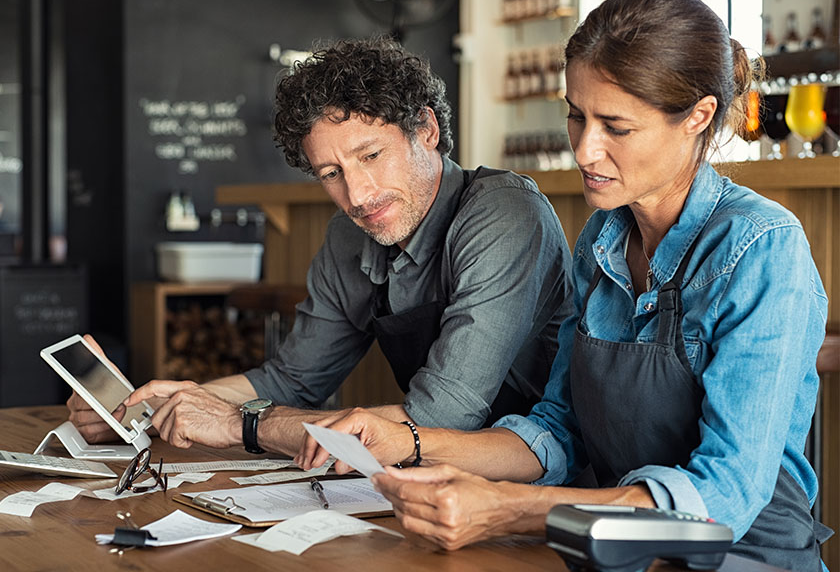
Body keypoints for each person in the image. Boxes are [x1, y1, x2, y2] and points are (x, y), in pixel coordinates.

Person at [297, 0, 832, 569]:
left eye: (616, 127)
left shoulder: (761, 248)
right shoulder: (600, 245)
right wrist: (410, 443)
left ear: (698, 117)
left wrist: (509, 509)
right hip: (610, 551)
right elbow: (558, 430)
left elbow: (723, 501)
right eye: (577, 117)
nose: (584, 149)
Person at [67, 36, 574, 457]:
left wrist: (242, 425)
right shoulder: (349, 235)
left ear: (426, 130)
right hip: (435, 481)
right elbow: (292, 379)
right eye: (331, 174)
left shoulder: (504, 214)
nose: (357, 195)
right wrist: (148, 407)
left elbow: (440, 417)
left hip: (544, 476)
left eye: (371, 155)